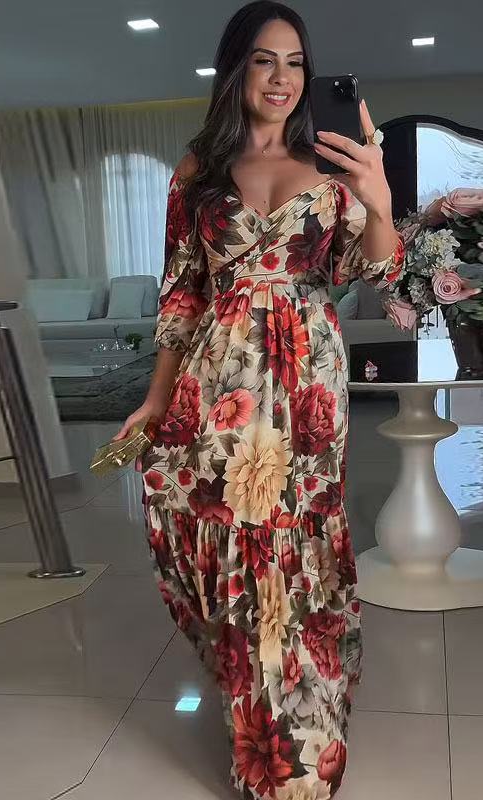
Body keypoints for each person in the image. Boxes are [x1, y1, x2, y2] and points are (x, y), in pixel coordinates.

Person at [115, 2, 403, 796]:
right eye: (265, 61)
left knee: (296, 535)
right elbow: (181, 293)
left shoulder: (336, 160)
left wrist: (378, 201)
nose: (282, 78)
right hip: (218, 376)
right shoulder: (200, 169)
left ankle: (304, 723)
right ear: (236, 69)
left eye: (295, 62)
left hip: (306, 379)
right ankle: (258, 701)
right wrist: (156, 397)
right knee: (222, 528)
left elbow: (376, 272)